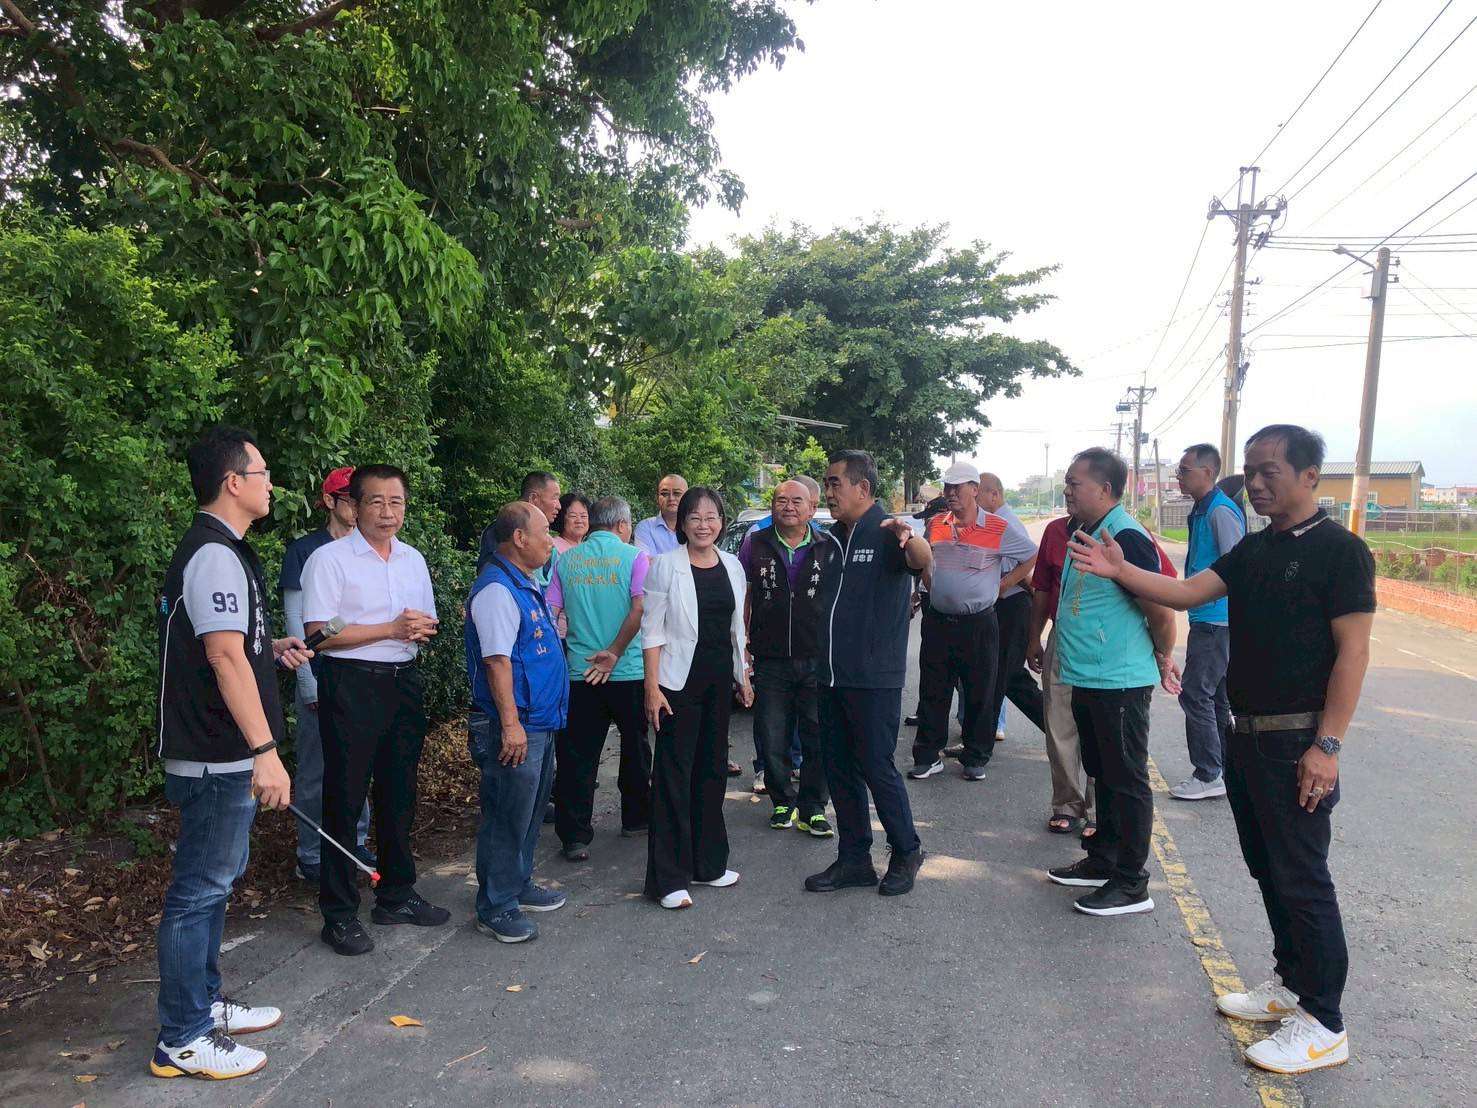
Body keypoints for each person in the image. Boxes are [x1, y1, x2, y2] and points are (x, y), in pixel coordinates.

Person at [1067, 424, 1372, 1075]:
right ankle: (1289, 985)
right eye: (1250, 471)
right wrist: (1122, 569)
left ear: (1309, 476)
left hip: (1297, 738)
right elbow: (1184, 593)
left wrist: (1327, 743)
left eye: (1269, 471)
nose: (1255, 483)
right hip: (1245, 734)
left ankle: (1324, 1022)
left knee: (1302, 878)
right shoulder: (1254, 550)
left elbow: (1353, 653)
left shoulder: (1339, 552)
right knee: (1267, 869)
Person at [152, 426, 313, 1080]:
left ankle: (206, 1003)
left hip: (222, 754)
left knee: (214, 888)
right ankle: (182, 1036)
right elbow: (220, 655)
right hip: (216, 756)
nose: (271, 483)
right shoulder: (214, 553)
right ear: (233, 482)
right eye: (264, 472)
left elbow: (226, 646)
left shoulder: (225, 551)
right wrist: (266, 751)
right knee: (199, 893)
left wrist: (266, 651)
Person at [301, 464, 447, 956]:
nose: (388, 512)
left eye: (397, 502)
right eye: (377, 502)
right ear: (354, 506)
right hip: (351, 684)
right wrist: (388, 629)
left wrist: (421, 630)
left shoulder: (412, 559)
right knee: (344, 798)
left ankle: (396, 894)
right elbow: (320, 634)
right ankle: (339, 914)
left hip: (403, 682)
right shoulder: (330, 560)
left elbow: (424, 621)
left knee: (399, 792)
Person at [1043, 448, 1178, 918]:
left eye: (1074, 483)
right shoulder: (1087, 532)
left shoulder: (1127, 538)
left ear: (1103, 489)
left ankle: (1131, 882)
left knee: (1127, 780)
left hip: (1119, 681)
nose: (1067, 490)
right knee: (1103, 774)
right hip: (1088, 677)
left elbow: (1160, 610)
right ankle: (1104, 859)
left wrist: (1163, 656)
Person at [805, 449, 933, 898]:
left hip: (874, 676)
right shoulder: (830, 538)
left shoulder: (886, 532)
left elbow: (921, 560)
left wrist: (909, 536)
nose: (829, 491)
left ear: (863, 488)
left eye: (836, 483)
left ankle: (906, 850)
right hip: (832, 676)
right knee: (839, 768)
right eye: (828, 483)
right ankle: (854, 858)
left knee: (876, 766)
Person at [641, 487, 752, 910]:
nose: (704, 525)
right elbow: (651, 632)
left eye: (711, 517)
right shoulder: (665, 567)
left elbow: (735, 629)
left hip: (717, 681)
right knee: (673, 777)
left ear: (721, 521)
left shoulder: (732, 565)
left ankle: (708, 865)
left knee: (712, 771)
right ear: (682, 523)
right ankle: (667, 879)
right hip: (675, 686)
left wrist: (743, 675)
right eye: (694, 518)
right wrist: (651, 687)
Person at [465, 502, 570, 943]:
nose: (552, 538)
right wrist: (510, 725)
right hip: (517, 724)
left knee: (527, 813)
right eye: (545, 530)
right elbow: (497, 662)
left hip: (539, 721)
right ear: (519, 539)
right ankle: (496, 905)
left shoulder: (523, 584)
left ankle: (517, 883)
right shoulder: (496, 590)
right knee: (507, 814)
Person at [909, 462, 1035, 783]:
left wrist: (1004, 585)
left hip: (978, 623)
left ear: (975, 490)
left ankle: (976, 756)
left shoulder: (997, 526)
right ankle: (927, 755)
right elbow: (925, 558)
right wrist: (928, 582)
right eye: (948, 487)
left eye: (958, 487)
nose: (951, 494)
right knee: (933, 689)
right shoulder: (937, 523)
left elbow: (1032, 555)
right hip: (938, 621)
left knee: (980, 689)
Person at [546, 496, 653, 860]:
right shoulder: (635, 557)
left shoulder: (566, 560)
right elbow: (641, 608)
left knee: (577, 753)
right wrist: (617, 651)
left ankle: (574, 836)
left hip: (581, 671)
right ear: (623, 525)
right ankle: (636, 818)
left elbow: (550, 612)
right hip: (628, 670)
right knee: (636, 746)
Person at [279, 466, 372, 883]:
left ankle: (355, 842)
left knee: (359, 762)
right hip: (318, 673)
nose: (355, 506)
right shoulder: (305, 550)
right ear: (330, 501)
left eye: (359, 497)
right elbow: (297, 621)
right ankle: (312, 852)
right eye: (347, 498)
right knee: (317, 767)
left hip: (362, 675)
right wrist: (306, 681)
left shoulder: (369, 549)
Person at [739, 479, 831, 836]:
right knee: (772, 733)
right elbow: (744, 594)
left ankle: (814, 806)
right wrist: (744, 642)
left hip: (816, 656)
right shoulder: (755, 543)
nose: (788, 507)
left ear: (811, 508)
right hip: (770, 656)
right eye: (781, 500)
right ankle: (782, 801)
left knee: (817, 734)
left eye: (797, 501)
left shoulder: (827, 545)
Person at [1169, 443, 1247, 801]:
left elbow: (1237, 567)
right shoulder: (1201, 510)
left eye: (1185, 470)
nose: (1180, 476)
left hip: (1217, 620)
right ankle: (1222, 768)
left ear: (1207, 472)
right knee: (1214, 697)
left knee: (1196, 694)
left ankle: (1208, 772)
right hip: (1206, 616)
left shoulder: (1220, 511)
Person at [1024, 511, 1096, 837]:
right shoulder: (1055, 531)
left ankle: (1099, 810)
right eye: (1066, 483)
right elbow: (1041, 588)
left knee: (1099, 727)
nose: (1068, 491)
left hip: (1103, 643)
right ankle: (1067, 804)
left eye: (1075, 484)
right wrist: (1034, 636)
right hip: (1062, 636)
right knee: (1058, 722)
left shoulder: (1122, 532)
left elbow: (1157, 583)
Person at [977, 472, 1046, 742]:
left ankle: (979, 746)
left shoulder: (1005, 522)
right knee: (1007, 677)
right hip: (1006, 607)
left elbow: (1031, 558)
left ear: (994, 495)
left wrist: (1003, 585)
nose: (974, 498)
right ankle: (978, 742)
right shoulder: (994, 521)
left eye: (978, 492)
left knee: (1002, 678)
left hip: (1013, 605)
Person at [634, 473, 688, 556]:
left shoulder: (695, 527)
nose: (671, 498)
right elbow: (647, 565)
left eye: (677, 493)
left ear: (687, 498)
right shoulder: (645, 527)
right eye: (665, 494)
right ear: (657, 498)